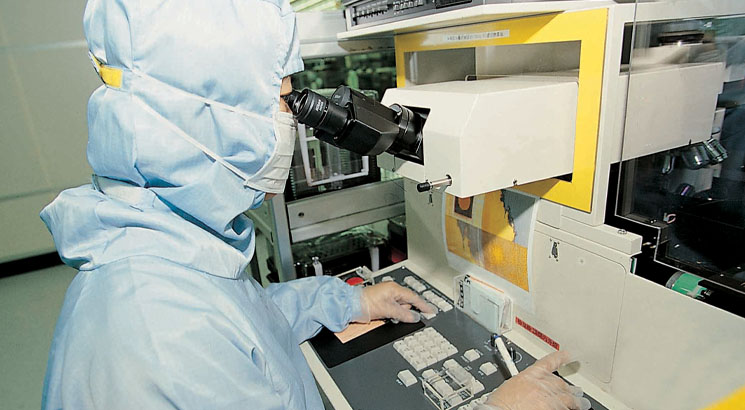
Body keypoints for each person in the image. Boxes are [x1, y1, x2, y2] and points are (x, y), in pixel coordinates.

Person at [40, 1, 590, 409]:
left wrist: (345, 301)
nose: (289, 121)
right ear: (207, 118)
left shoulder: (164, 261)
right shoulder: (157, 338)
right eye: (281, 100)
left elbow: (242, 323)